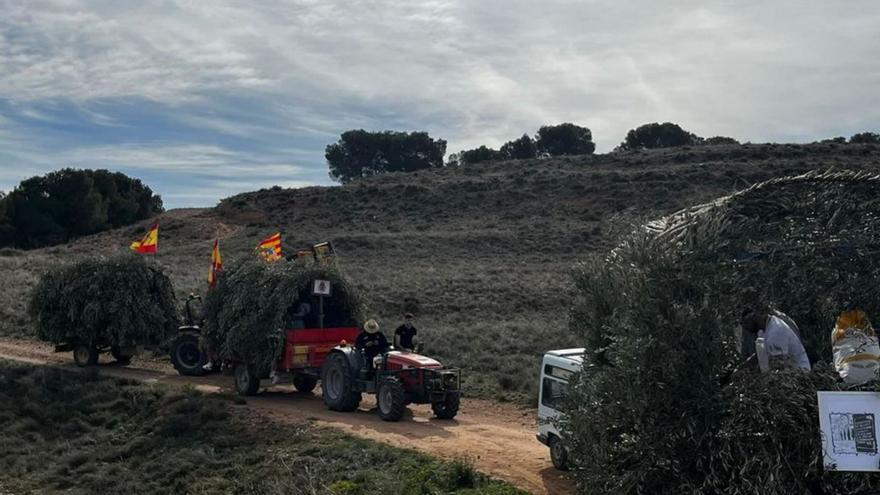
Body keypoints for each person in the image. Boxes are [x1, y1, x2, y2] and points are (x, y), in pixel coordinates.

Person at [742, 310, 811, 371]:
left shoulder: (776, 333)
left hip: (799, 374)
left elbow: (780, 367)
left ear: (758, 315)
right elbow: (760, 355)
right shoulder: (764, 330)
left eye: (748, 320)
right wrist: (741, 368)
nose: (746, 325)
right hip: (786, 371)